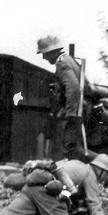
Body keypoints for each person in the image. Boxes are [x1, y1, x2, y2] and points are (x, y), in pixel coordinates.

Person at [37, 34, 86, 162]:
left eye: (45, 54)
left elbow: (73, 88)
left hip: (72, 115)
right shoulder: (69, 60)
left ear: (52, 52)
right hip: (76, 112)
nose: (44, 57)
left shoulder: (62, 64)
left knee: (69, 149)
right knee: (72, 149)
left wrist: (70, 114)